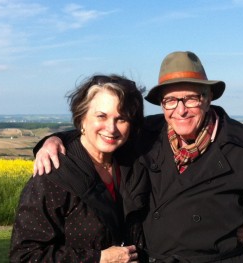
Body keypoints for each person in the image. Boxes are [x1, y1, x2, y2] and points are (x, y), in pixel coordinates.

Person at [33, 51, 243, 262]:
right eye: (170, 100)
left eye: (190, 98)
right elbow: (103, 132)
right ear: (162, 104)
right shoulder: (147, 134)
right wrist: (55, 140)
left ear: (207, 98)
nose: (180, 110)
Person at [9, 74, 146, 263]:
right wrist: (98, 258)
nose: (111, 128)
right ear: (82, 118)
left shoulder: (132, 163)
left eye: (121, 119)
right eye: (101, 116)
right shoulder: (53, 173)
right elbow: (24, 255)